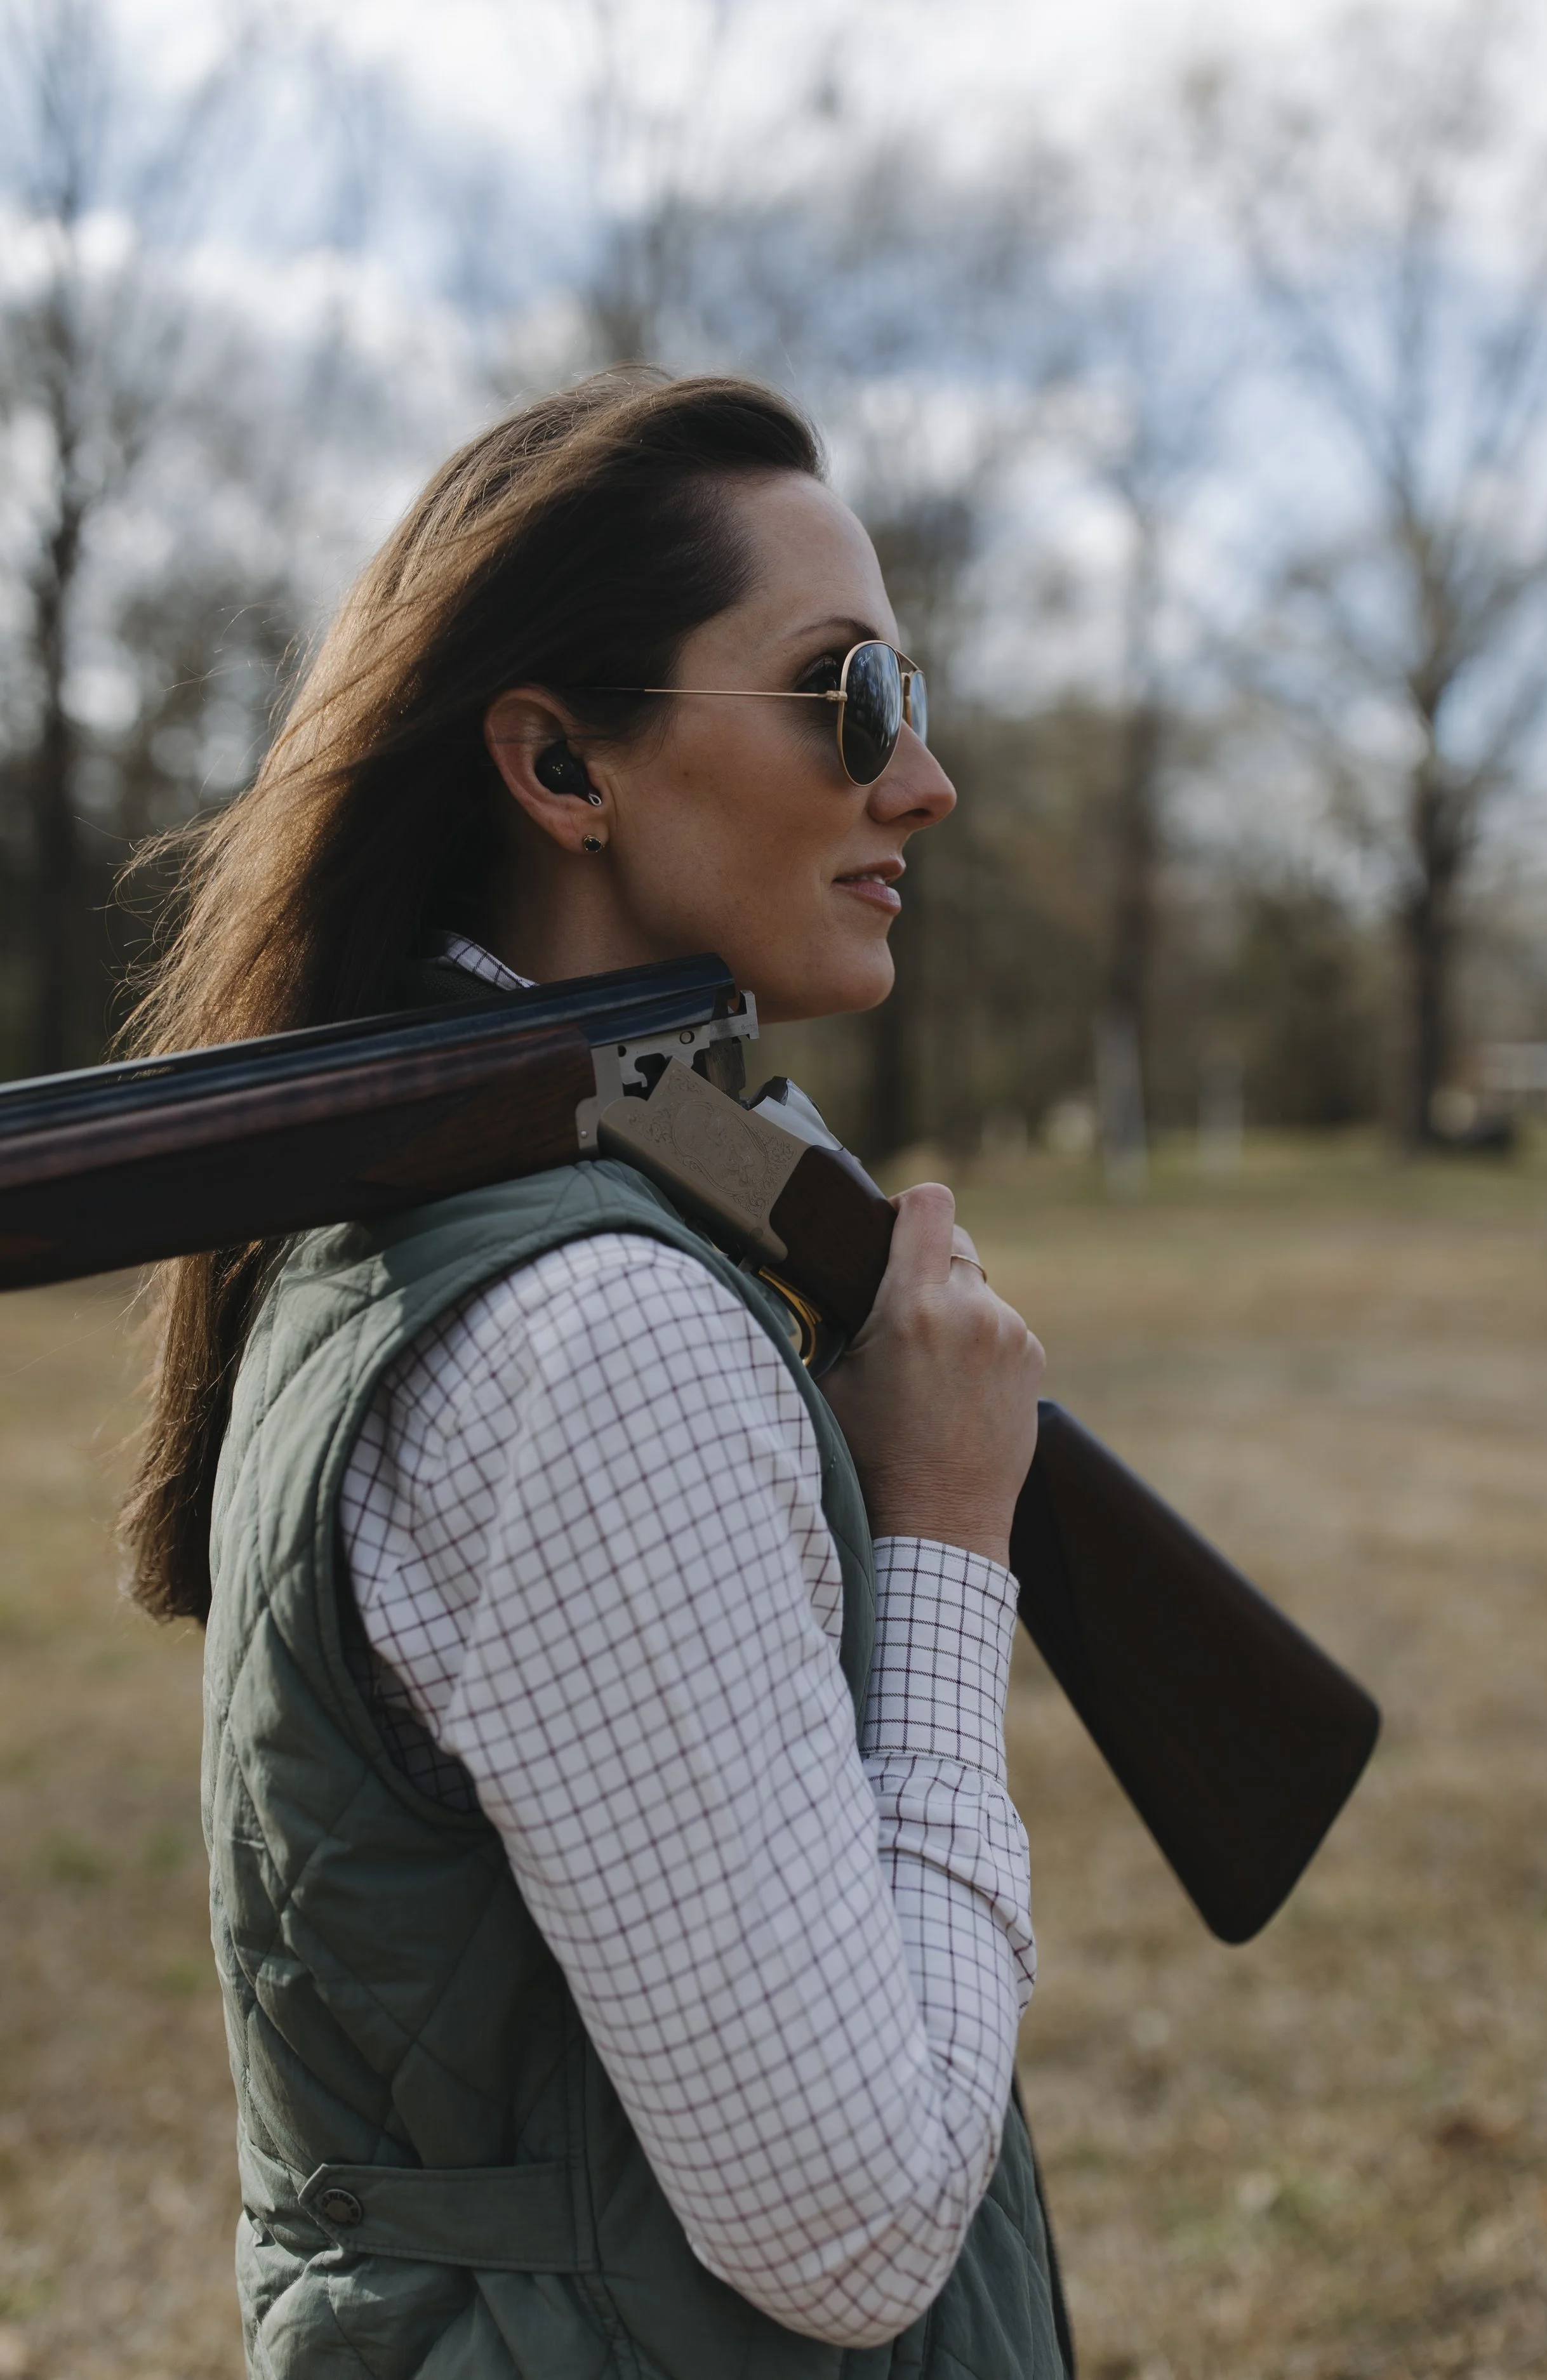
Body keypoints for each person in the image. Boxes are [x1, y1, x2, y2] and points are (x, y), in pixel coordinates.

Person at [121, 370, 1070, 2379]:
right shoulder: (594, 1335)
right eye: (846, 695)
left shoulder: (495, 1209)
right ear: (560, 764)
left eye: (907, 694)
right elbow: (858, 2225)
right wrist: (944, 1532)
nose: (922, 779)